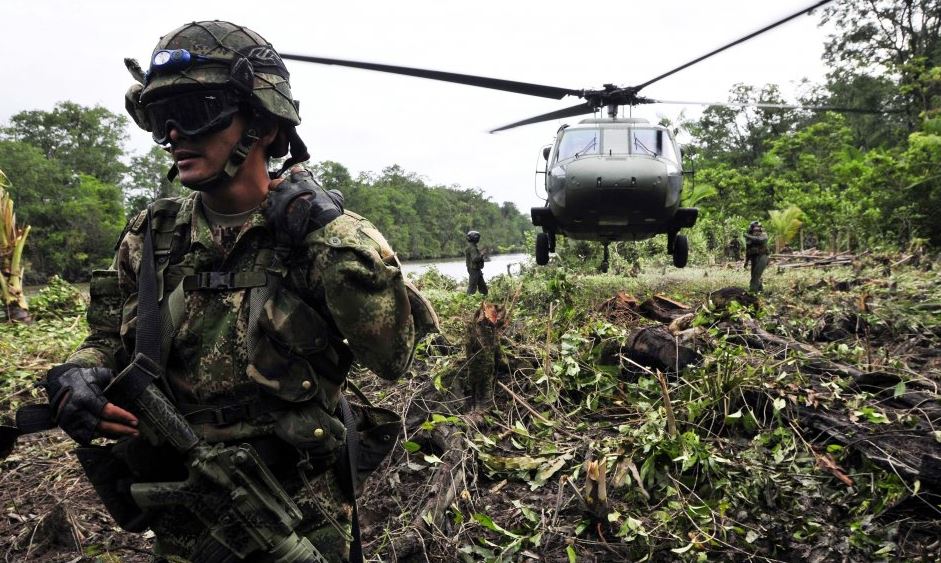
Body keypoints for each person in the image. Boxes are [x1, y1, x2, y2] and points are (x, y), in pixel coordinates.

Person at [41, 21, 435, 562]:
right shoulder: (150, 237)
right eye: (162, 118)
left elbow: (392, 357)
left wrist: (333, 242)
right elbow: (107, 337)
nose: (176, 134)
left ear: (264, 127)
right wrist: (77, 376)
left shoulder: (326, 238)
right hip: (183, 509)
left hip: (294, 514)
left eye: (198, 112)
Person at [744, 221, 769, 293]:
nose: (756, 231)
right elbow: (748, 250)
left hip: (762, 256)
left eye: (758, 230)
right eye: (755, 230)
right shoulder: (749, 237)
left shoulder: (763, 235)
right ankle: (760, 290)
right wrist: (746, 261)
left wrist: (748, 236)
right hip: (754, 257)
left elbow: (760, 240)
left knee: (756, 276)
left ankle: (752, 292)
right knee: (754, 275)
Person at [465, 230, 488, 295]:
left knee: (483, 288)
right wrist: (482, 254)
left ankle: (483, 301)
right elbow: (475, 259)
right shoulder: (472, 248)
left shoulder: (472, 247)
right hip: (473, 270)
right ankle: (468, 302)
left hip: (476, 269)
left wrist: (480, 254)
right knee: (472, 288)